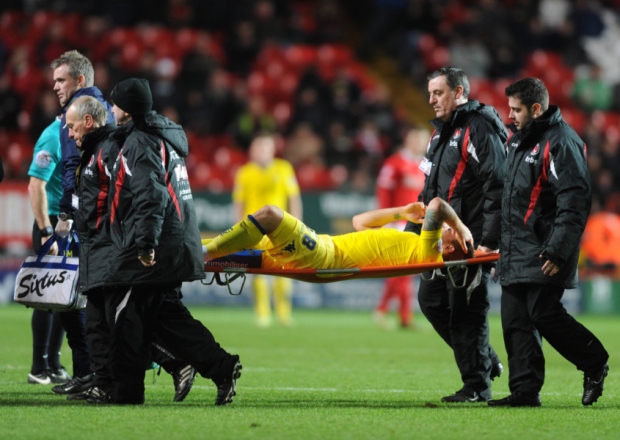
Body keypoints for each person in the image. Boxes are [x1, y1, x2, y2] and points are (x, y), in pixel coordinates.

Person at [102, 78, 241, 405]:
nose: (111, 109)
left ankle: (126, 393)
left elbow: (151, 195)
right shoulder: (165, 138)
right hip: (177, 241)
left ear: (127, 108)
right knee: (167, 316)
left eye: (115, 104)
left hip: (160, 244)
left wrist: (145, 244)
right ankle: (222, 367)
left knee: (125, 316)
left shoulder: (140, 141)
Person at [62, 95, 200, 404]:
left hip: (112, 249)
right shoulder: (101, 146)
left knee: (116, 324)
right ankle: (104, 382)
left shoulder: (112, 147)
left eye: (71, 127)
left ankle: (168, 366)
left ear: (87, 121)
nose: (69, 134)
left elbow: (131, 197)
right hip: (101, 247)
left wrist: (133, 240)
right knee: (103, 323)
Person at [488, 77, 609, 408]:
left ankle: (595, 362)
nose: (509, 115)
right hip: (516, 248)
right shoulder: (518, 141)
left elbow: (574, 199)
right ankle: (525, 392)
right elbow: (508, 199)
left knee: (543, 313)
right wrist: (494, 243)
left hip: (547, 249)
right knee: (515, 320)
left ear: (536, 109)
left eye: (516, 110)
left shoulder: (562, 142)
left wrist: (558, 248)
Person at [403, 67, 506, 403]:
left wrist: (488, 240)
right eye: (430, 93)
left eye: (439, 93)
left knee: (466, 309)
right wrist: (412, 235)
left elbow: (497, 184)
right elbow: (429, 191)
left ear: (459, 92)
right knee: (431, 301)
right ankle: (485, 360)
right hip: (439, 241)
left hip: (468, 239)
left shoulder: (478, 128)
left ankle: (476, 385)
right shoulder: (440, 134)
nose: (431, 99)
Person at [205, 197, 474, 273]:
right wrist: (401, 212)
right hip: (318, 247)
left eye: (453, 235)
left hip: (322, 257)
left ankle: (201, 254)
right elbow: (360, 222)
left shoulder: (430, 255)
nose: (449, 229)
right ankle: (194, 251)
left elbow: (437, 206)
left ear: (449, 249)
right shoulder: (414, 244)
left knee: (270, 215)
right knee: (206, 243)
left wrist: (461, 226)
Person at [233, 133, 302, 327]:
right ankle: (262, 313)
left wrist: (298, 224)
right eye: (258, 148)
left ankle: (283, 313)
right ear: (252, 151)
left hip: (280, 228)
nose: (261, 151)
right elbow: (239, 202)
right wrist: (238, 230)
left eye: (265, 148)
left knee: (284, 270)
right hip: (253, 228)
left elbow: (294, 198)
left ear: (272, 150)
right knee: (257, 271)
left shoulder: (284, 168)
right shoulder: (244, 173)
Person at [26, 116, 72, 385]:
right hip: (52, 222)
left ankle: (53, 364)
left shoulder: (72, 135)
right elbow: (35, 184)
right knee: (46, 295)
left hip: (67, 222)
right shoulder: (53, 136)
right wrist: (46, 231)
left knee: (63, 295)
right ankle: (38, 367)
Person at [374, 127, 428, 329]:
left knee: (405, 272)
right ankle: (401, 316)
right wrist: (385, 219)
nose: (418, 143)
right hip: (397, 223)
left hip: (418, 224)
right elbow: (383, 192)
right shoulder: (394, 163)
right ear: (407, 139)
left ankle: (385, 311)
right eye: (415, 138)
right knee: (405, 271)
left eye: (421, 140)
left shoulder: (424, 165)